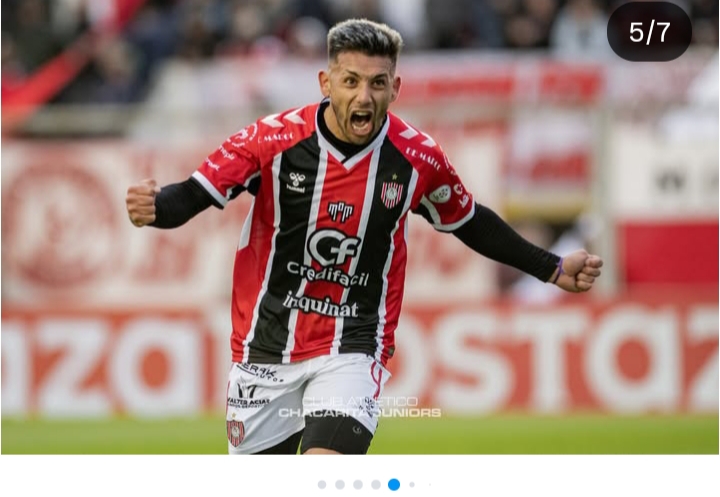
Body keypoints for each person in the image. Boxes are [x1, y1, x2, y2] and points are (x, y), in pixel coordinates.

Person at [125, 18, 603, 455]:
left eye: (377, 83)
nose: (364, 96)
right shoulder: (271, 141)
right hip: (265, 347)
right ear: (325, 82)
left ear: (395, 88)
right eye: (351, 81)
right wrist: (155, 208)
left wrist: (551, 267)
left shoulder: (417, 158)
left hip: (353, 344)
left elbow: (469, 220)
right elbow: (195, 194)